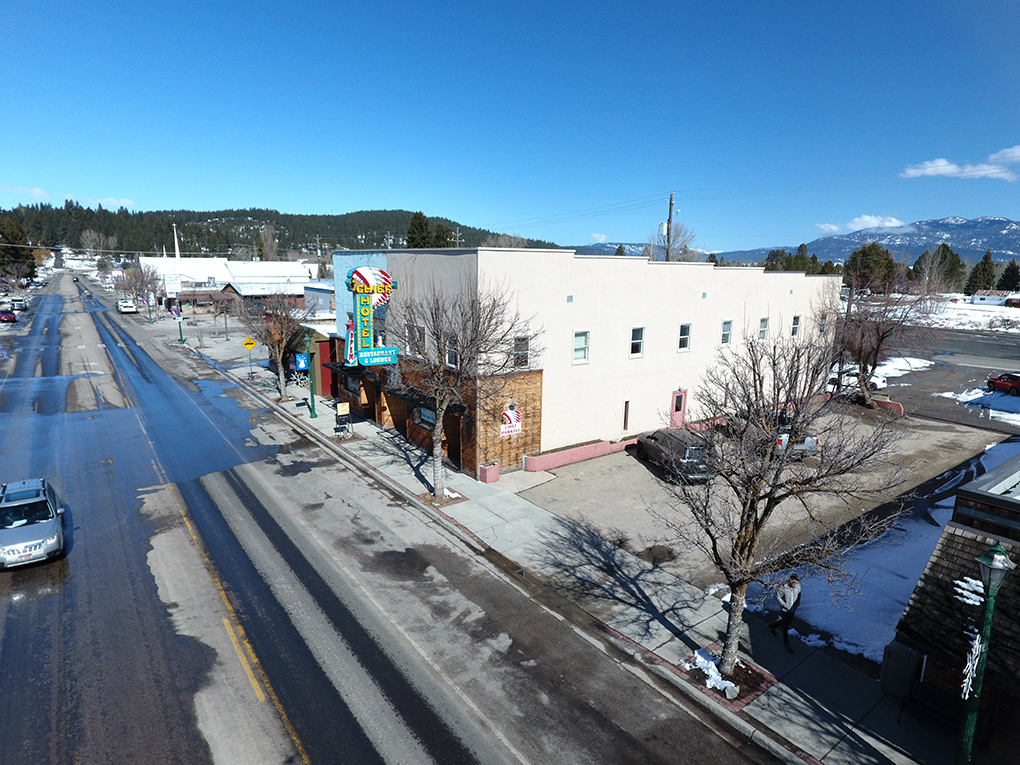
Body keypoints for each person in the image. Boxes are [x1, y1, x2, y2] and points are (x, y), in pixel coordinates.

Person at [769, 573, 801, 652]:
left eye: (796, 582)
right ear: (790, 580)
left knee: (786, 622)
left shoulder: (798, 586)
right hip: (785, 610)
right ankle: (786, 644)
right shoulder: (784, 587)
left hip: (793, 609)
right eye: (793, 582)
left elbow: (799, 594)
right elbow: (778, 596)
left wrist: (797, 604)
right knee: (785, 627)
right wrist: (784, 605)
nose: (795, 584)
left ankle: (773, 625)